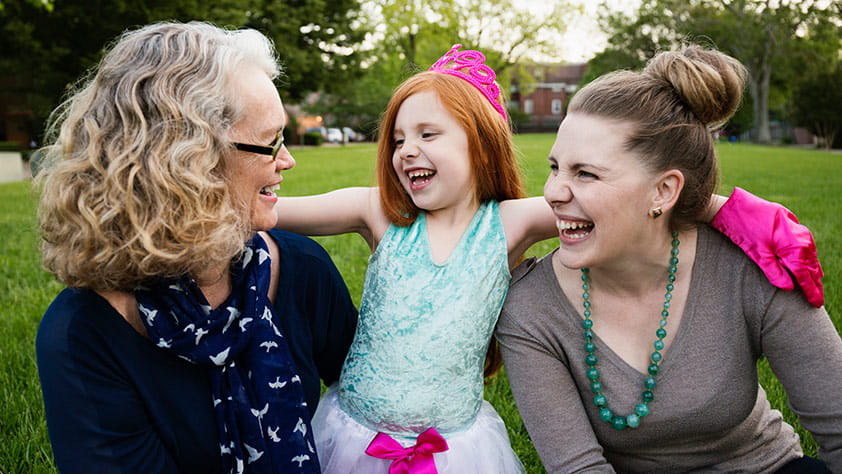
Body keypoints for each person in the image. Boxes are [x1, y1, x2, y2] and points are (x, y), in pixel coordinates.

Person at [272, 44, 824, 473]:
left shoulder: (507, 222)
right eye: (396, 139)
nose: (406, 150)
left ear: (479, 143)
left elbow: (637, 198)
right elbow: (274, 212)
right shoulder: (381, 214)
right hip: (357, 429)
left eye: (428, 133)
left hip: (451, 444)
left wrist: (751, 218)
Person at [496, 44, 841, 473]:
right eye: (555, 167)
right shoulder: (531, 307)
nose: (552, 192)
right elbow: (579, 468)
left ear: (663, 191)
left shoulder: (754, 263)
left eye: (585, 173)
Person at [34, 22, 357, 473]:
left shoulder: (302, 270)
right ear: (188, 160)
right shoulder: (85, 334)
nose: (287, 160)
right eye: (269, 143)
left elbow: (373, 404)